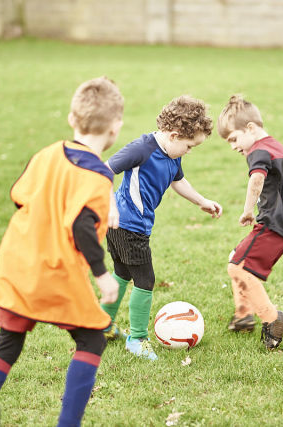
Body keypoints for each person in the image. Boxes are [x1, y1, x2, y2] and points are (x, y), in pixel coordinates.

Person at [0, 76, 124, 427]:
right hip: (56, 273)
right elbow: (82, 227)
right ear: (116, 128)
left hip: (17, 265)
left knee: (8, 342)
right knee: (92, 340)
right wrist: (102, 276)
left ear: (72, 118)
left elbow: (19, 197)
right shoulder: (99, 177)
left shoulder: (46, 154)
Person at [101, 95, 222, 360]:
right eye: (189, 146)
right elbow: (104, 170)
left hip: (128, 224)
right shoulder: (141, 149)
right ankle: (138, 338)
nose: (189, 151)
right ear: (174, 135)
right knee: (146, 280)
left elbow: (178, 181)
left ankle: (103, 327)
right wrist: (109, 206)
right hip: (127, 224)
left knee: (122, 273)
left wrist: (202, 201)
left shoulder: (171, 152)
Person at [217, 95, 283, 351]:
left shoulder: (258, 151)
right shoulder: (282, 150)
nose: (233, 147)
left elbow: (256, 180)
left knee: (239, 268)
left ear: (250, 129)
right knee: (235, 256)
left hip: (270, 224)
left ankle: (272, 318)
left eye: (233, 139)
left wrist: (248, 211)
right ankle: (243, 315)